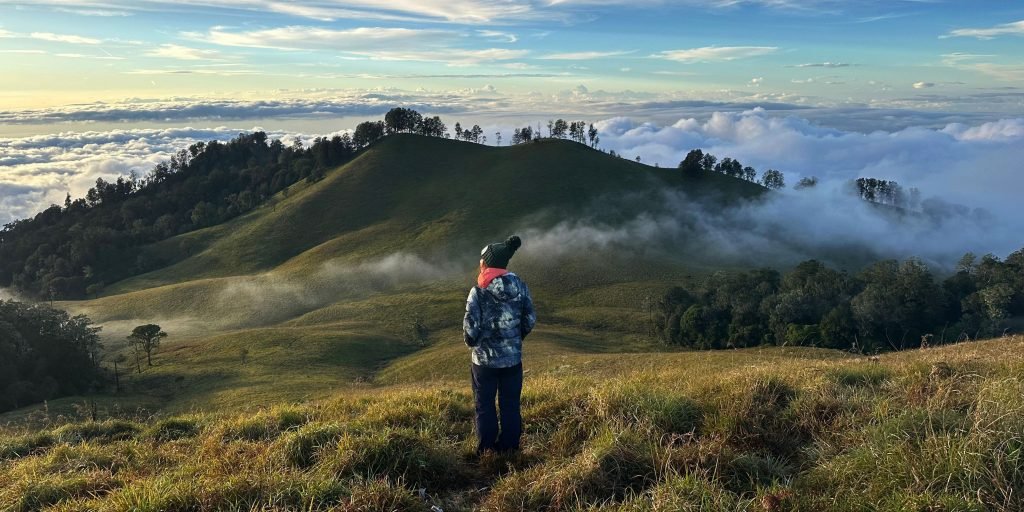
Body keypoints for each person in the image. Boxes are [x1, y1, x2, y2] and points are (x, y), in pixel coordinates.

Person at [463, 235, 536, 454]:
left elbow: (470, 331)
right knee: (510, 405)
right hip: (513, 359)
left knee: (484, 405)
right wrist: (513, 339)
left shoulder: (478, 291)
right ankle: (510, 449)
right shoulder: (520, 286)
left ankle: (486, 450)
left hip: (484, 362)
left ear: (486, 263)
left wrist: (475, 343)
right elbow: (530, 319)